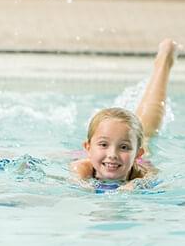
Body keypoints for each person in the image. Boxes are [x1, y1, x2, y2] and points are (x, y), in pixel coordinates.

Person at [70, 39, 178, 190]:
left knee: (146, 132)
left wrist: (136, 185)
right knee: (145, 129)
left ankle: (164, 61)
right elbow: (77, 184)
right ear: (87, 148)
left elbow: (155, 180)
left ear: (138, 154)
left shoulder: (142, 173)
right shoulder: (82, 168)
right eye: (103, 144)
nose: (112, 154)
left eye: (124, 147)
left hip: (140, 159)